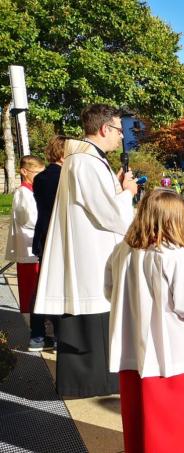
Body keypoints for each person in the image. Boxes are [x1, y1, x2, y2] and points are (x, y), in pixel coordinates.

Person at [34, 103, 138, 397]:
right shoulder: (86, 162)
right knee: (93, 311)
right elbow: (110, 214)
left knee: (96, 315)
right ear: (105, 128)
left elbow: (99, 202)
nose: (121, 137)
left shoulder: (86, 160)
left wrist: (116, 188)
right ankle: (91, 383)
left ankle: (96, 380)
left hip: (90, 248)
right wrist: (128, 193)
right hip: (90, 253)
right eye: (119, 130)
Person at [105, 189, 184, 453]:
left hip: (132, 346)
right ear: (175, 221)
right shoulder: (178, 258)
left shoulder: (123, 250)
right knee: (175, 427)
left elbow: (109, 290)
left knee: (139, 422)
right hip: (172, 352)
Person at [31, 135, 67, 351]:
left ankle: (37, 333)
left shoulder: (41, 177)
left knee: (44, 285)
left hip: (44, 236)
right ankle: (58, 334)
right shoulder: (65, 177)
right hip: (61, 238)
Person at [5, 156, 45, 349]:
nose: (40, 177)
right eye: (37, 173)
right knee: (32, 290)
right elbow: (28, 219)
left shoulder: (32, 191)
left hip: (33, 248)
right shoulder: (23, 192)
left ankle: (40, 327)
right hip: (29, 250)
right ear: (24, 172)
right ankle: (36, 330)